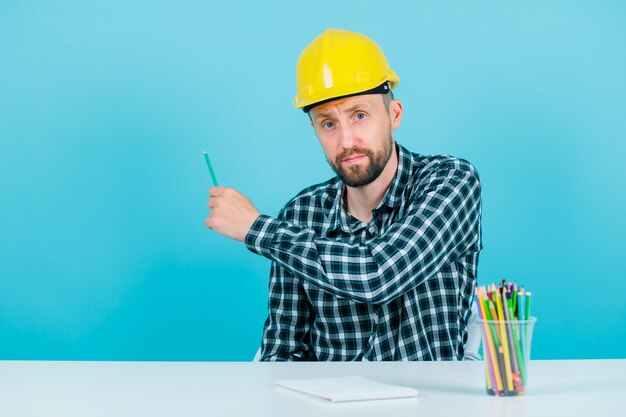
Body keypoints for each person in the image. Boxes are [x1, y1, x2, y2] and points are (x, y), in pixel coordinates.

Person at [204, 28, 483, 361]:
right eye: (328, 124)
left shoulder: (450, 181)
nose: (347, 140)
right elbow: (283, 350)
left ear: (393, 115)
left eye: (359, 116)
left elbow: (380, 273)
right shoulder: (300, 215)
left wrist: (256, 228)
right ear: (314, 130)